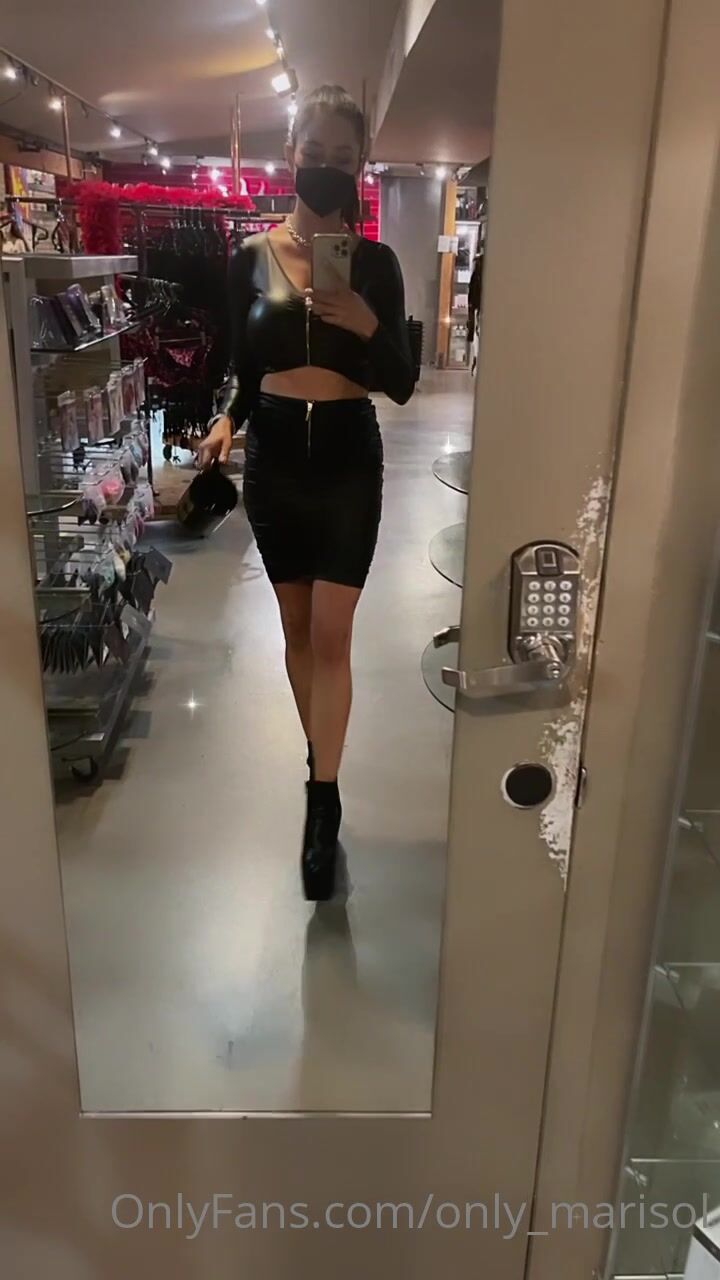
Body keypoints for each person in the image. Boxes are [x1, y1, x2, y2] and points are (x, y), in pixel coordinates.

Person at [198, 84, 415, 901]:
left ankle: (322, 803)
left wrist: (365, 321)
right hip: (277, 457)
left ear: (360, 165)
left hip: (350, 457)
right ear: (292, 155)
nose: (326, 167)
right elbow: (242, 367)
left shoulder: (378, 266)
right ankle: (321, 764)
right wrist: (227, 419)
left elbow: (401, 383)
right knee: (295, 630)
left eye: (342, 157)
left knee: (331, 634)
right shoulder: (249, 259)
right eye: (314, 153)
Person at [466, 249, 484, 374]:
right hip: (478, 308)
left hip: (477, 308)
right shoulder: (478, 276)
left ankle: (476, 363)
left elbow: (471, 294)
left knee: (478, 335)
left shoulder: (477, 275)